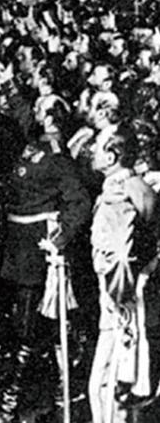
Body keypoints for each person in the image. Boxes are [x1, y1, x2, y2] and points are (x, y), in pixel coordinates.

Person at [0, 94, 90, 423]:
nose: (36, 114)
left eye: (41, 110)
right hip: (18, 250)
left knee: (31, 331)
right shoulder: (31, 147)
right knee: (24, 329)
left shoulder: (59, 158)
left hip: (38, 254)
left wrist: (60, 237)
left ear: (51, 118)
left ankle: (15, 405)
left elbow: (79, 202)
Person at [87, 128, 157, 423]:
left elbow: (124, 254)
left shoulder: (122, 191)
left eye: (97, 147)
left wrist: (118, 296)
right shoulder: (131, 186)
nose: (91, 151)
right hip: (125, 297)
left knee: (107, 386)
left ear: (111, 157)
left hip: (121, 303)